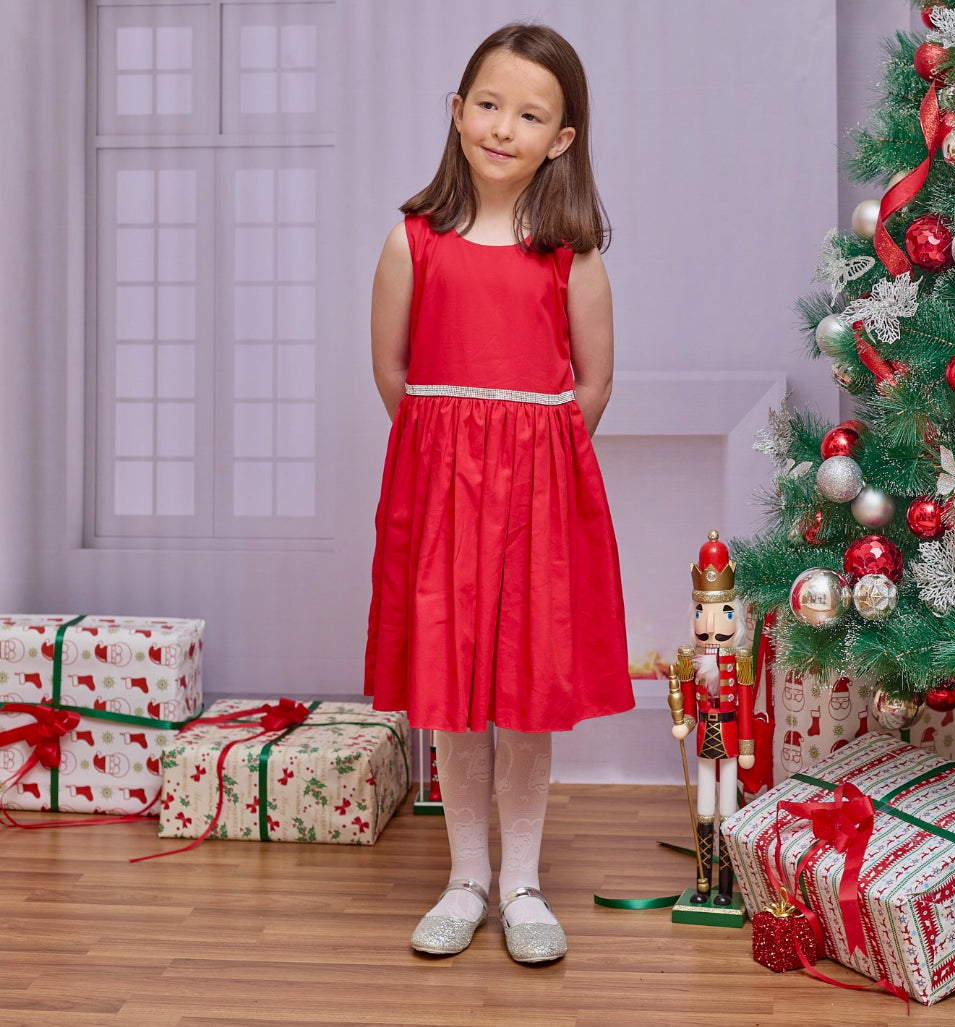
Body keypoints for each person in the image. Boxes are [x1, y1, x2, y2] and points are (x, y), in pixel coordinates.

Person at [364, 23, 634, 965]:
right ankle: (464, 877)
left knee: (520, 693)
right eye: (488, 104)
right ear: (455, 110)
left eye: (529, 114)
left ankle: (521, 882)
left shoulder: (571, 256)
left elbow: (592, 384)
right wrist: (456, 449)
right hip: (440, 493)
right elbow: (395, 375)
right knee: (451, 692)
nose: (502, 127)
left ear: (562, 138)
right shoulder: (413, 243)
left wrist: (528, 456)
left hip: (537, 499)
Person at [671, 531, 754, 906]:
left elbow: (747, 705)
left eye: (722, 613)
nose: (712, 624)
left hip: (733, 737)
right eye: (703, 613)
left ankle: (725, 888)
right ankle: (703, 883)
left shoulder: (740, 661)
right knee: (704, 810)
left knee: (728, 811)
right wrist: (684, 723)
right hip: (705, 734)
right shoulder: (691, 658)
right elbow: (689, 706)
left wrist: (748, 745)